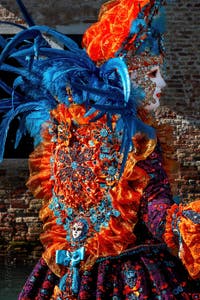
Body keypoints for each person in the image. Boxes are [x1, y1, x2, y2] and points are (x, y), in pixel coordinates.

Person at [0, 0, 199, 299]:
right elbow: (157, 215)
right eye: (155, 72)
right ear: (130, 74)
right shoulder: (136, 141)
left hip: (65, 275)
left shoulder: (64, 132)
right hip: (128, 276)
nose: (163, 83)